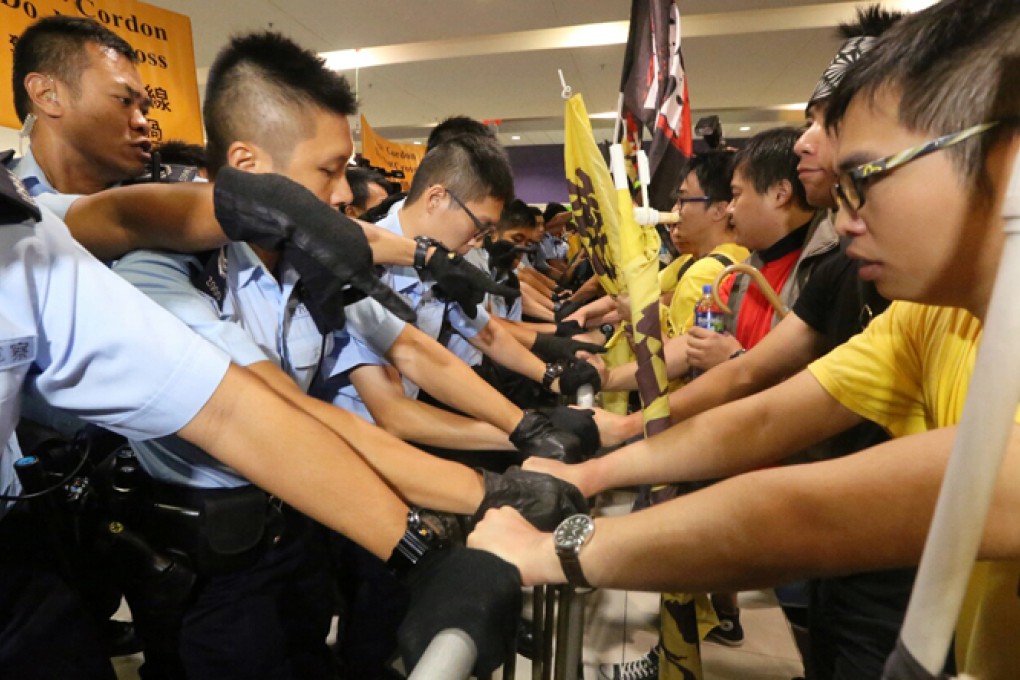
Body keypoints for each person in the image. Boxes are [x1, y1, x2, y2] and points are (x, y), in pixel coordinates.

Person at [470, 0, 1020, 675]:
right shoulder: (935, 313)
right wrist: (591, 471)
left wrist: (554, 549)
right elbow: (759, 415)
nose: (845, 223)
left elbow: (808, 513)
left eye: (864, 181)